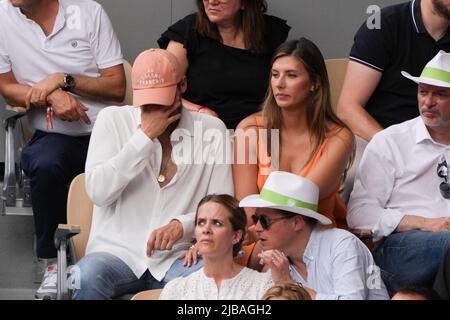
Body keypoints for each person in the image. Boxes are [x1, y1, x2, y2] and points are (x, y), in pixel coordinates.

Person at [72, 48, 233, 300]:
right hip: (115, 253)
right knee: (85, 276)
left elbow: (224, 207)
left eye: (161, 97)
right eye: (146, 99)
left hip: (179, 256)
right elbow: (98, 192)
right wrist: (143, 137)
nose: (153, 107)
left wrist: (183, 225)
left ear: (182, 85)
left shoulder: (213, 130)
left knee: (217, 279)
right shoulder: (112, 120)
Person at [0, 0, 125, 299]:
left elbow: (117, 87)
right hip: (52, 136)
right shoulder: (2, 15)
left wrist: (64, 81)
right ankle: (53, 264)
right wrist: (50, 96)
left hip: (104, 133)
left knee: (129, 168)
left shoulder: (88, 12)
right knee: (45, 162)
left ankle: (121, 258)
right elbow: (5, 85)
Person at [232, 38, 354, 268]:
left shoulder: (339, 137)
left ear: (314, 83)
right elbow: (247, 208)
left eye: (291, 75)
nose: (280, 84)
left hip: (312, 242)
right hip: (260, 240)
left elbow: (299, 205)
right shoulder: (249, 130)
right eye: (275, 74)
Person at [347, 51, 450, 296]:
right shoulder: (390, 141)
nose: (428, 102)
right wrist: (426, 223)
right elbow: (360, 215)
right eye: (423, 92)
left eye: (440, 94)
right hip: (401, 248)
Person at [240, 171, 389, 300]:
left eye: (264, 221)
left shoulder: (342, 245)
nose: (257, 228)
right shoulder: (279, 265)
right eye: (255, 219)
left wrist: (290, 286)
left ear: (297, 223)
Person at [158, 0, 290, 129]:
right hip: (202, 132)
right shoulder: (189, 30)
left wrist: (254, 123)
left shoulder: (269, 32)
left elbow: (287, 90)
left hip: (257, 131)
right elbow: (161, 90)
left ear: (244, 3)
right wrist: (200, 111)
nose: (212, 1)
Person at [337, 0, 450, 141]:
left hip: (440, 142)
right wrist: (391, 148)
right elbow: (347, 110)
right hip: (376, 137)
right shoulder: (384, 24)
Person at [160, 194, 286, 300]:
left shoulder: (264, 286)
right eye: (201, 222)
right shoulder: (175, 291)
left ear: (236, 236)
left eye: (217, 223)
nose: (206, 229)